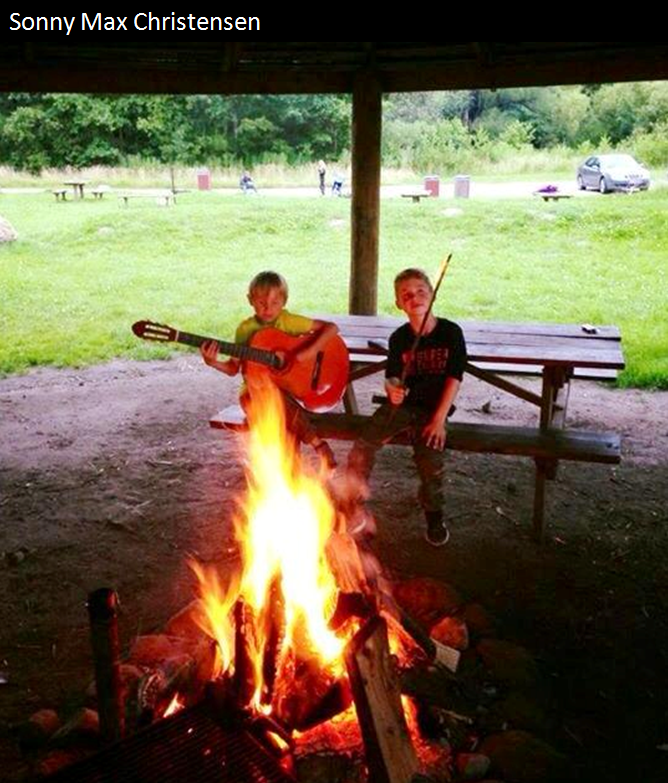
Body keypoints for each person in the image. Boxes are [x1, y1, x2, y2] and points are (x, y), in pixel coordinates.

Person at [347, 268, 467, 546]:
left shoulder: (451, 332)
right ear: (399, 303)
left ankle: (434, 516)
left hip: (434, 409)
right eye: (407, 295)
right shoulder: (399, 338)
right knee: (363, 446)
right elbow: (392, 376)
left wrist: (438, 420)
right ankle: (353, 505)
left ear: (432, 294)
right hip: (404, 407)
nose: (415, 298)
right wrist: (392, 389)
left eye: (421, 291)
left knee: (430, 461)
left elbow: (455, 377)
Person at [199, 271, 338, 468]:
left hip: (286, 392)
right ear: (250, 300)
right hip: (252, 395)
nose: (268, 308)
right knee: (275, 404)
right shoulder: (245, 329)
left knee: (282, 413)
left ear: (284, 302)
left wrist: (309, 352)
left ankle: (291, 476)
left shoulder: (287, 321)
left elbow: (331, 328)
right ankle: (317, 444)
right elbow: (232, 368)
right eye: (261, 302)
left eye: (274, 303)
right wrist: (212, 362)